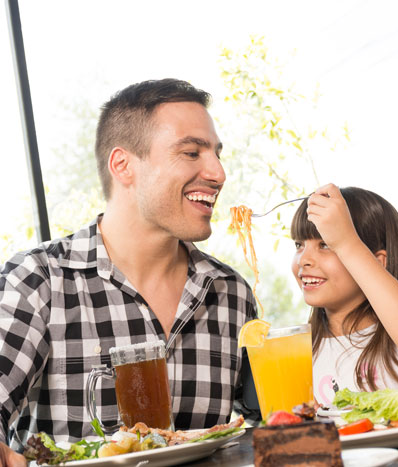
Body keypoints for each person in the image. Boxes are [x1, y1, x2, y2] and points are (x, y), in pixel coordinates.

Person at [0, 79, 257, 465]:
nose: (218, 173)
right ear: (123, 165)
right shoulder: (39, 281)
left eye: (217, 154)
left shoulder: (230, 293)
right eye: (191, 152)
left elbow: (269, 424)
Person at [290, 183, 398, 406]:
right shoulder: (302, 347)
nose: (304, 259)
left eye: (325, 244)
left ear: (377, 261)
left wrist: (345, 243)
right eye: (299, 244)